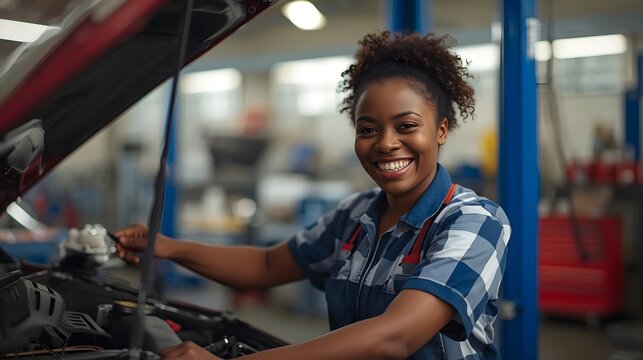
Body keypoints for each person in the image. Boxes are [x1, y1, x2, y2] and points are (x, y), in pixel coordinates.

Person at [115, 30, 511, 360]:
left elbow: (396, 336)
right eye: (368, 129)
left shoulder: (473, 222)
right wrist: (166, 247)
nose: (386, 144)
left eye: (406, 126)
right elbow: (268, 265)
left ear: (441, 131)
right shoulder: (355, 216)